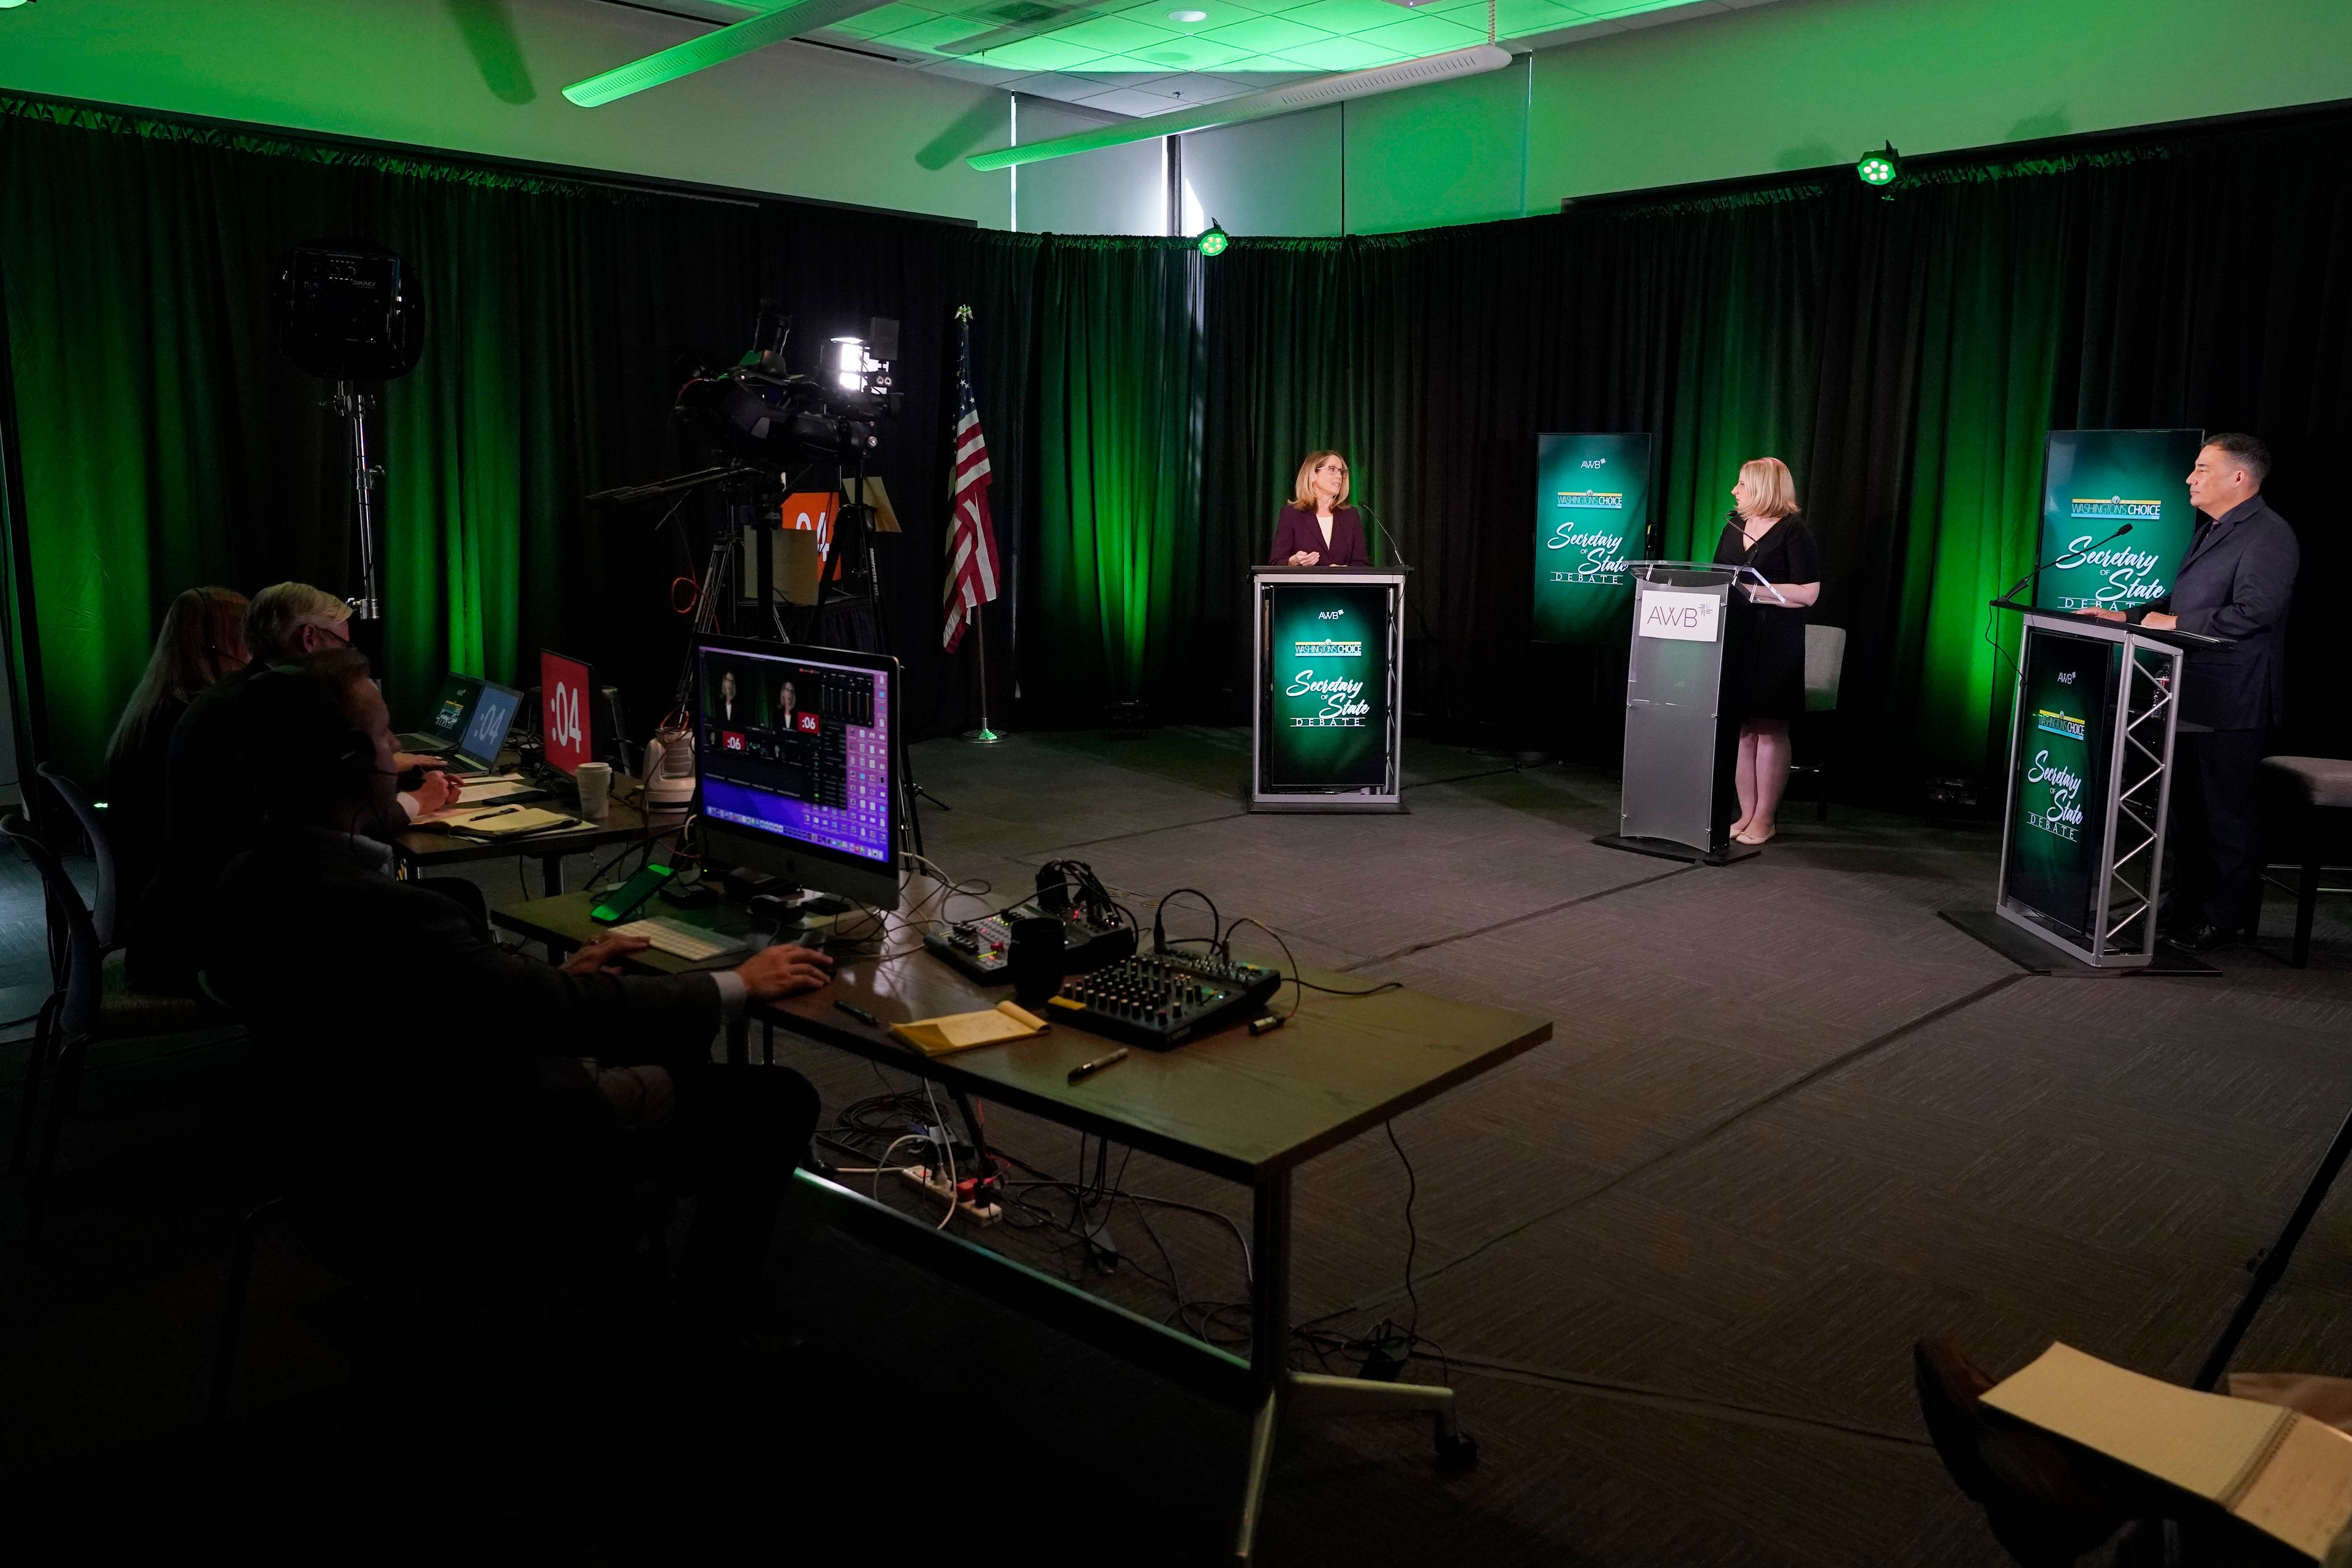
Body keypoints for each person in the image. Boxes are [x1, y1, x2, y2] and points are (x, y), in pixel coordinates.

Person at [208, 647, 833, 1323]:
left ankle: (625, 1290)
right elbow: (550, 1015)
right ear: (349, 765)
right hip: (475, 1181)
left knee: (666, 1040)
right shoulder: (395, 915)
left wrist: (542, 984)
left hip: (346, 1182)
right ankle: (705, 1334)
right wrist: (736, 983)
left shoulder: (248, 883)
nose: (397, 751)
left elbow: (439, 1011)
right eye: (387, 737)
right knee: (777, 1098)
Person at [140, 582, 458, 991]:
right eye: (344, 645)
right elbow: (326, 829)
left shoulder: (241, 698)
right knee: (430, 914)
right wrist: (418, 801)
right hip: (230, 936)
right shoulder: (261, 716)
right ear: (310, 639)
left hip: (218, 906)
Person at [2077, 434, 2297, 951]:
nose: (2189, 477)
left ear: (2239, 478)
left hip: (2232, 700)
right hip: (2189, 693)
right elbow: (2180, 599)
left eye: (2202, 468)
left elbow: (2253, 612)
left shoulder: (2269, 534)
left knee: (2225, 815)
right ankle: (2185, 901)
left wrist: (2171, 620)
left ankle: (2222, 918)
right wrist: (2126, 616)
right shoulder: (2213, 531)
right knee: (2186, 813)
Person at [103, 587, 248, 988]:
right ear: (223, 644)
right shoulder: (197, 720)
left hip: (155, 911)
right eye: (248, 636)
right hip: (187, 934)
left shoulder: (155, 706)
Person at [1712, 458, 1821, 846]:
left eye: (1741, 484)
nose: (1734, 491)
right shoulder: (1734, 526)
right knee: (1741, 729)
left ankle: (1765, 819)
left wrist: (1756, 592)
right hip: (1735, 637)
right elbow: (1718, 576)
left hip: (1776, 641)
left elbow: (1808, 593)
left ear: (1762, 488)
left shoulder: (1795, 531)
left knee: (1769, 728)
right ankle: (1745, 814)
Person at [1269, 450, 1370, 568]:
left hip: (1342, 586)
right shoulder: (1292, 515)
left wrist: (1345, 571)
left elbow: (1362, 563)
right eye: (1332, 470)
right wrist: (1293, 562)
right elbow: (1276, 563)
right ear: (1313, 475)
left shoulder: (1350, 515)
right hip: (1305, 586)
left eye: (1342, 472)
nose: (1339, 476)